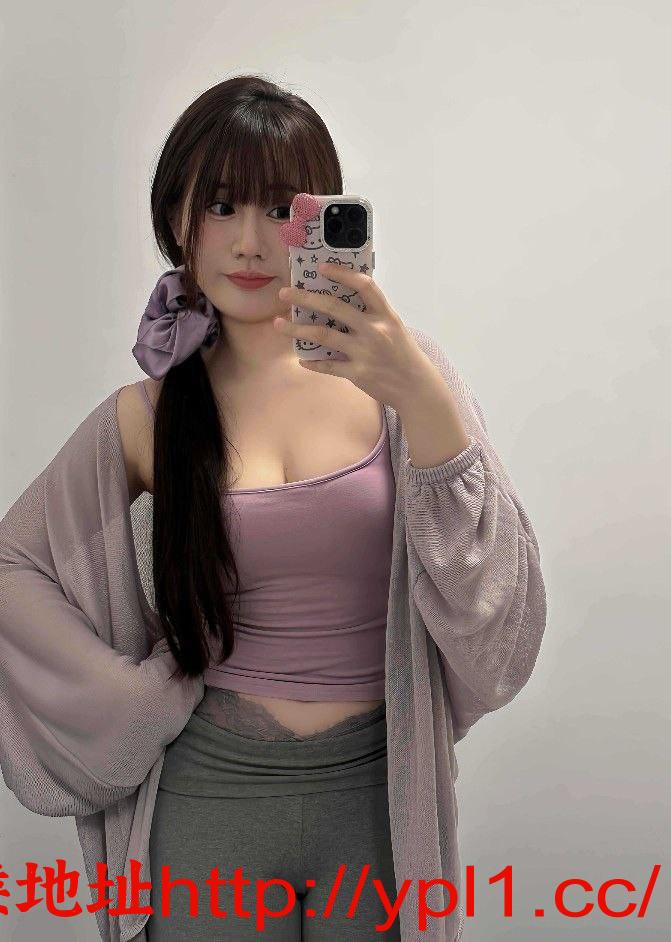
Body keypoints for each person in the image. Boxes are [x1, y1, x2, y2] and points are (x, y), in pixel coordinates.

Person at [0, 74, 547, 942]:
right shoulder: (148, 415)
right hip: (207, 799)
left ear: (321, 219)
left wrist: (423, 399)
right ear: (175, 217)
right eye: (221, 206)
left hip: (375, 795)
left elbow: (499, 626)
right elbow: (13, 564)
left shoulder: (401, 377)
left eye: (279, 209)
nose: (250, 242)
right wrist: (133, 704)